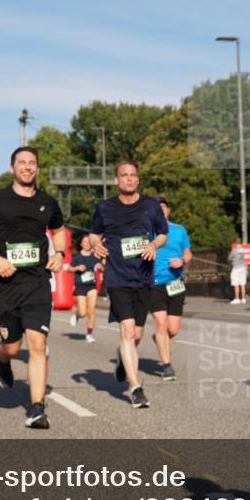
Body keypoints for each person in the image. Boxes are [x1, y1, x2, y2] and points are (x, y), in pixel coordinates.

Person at [0, 146, 67, 430]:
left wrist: (59, 254)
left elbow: (59, 230)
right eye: (22, 163)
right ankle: (2, 360)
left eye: (32, 163)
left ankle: (37, 408)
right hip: (5, 284)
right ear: (12, 168)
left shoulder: (47, 202)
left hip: (37, 283)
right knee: (12, 347)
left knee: (38, 345)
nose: (27, 167)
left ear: (37, 168)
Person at [89, 160, 167, 408]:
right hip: (117, 277)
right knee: (128, 330)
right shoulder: (105, 207)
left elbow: (162, 234)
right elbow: (93, 233)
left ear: (138, 179)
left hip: (143, 276)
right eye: (124, 175)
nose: (129, 179)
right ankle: (135, 387)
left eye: (133, 175)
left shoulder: (151, 206)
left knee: (138, 334)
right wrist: (95, 244)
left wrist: (154, 244)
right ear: (116, 180)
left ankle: (124, 359)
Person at [149, 194, 192, 381]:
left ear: (169, 210)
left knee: (172, 330)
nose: (161, 210)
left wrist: (182, 260)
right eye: (157, 207)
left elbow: (188, 253)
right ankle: (166, 366)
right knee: (160, 321)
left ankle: (159, 338)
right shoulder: (147, 231)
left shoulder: (179, 230)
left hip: (175, 282)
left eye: (164, 207)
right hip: (154, 282)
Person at [68, 234, 103, 343]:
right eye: (85, 242)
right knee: (83, 312)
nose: (87, 244)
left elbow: (102, 267)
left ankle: (89, 334)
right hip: (80, 285)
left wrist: (101, 267)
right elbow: (69, 269)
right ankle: (77, 315)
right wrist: (77, 267)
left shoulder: (95, 256)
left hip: (91, 285)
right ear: (81, 244)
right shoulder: (77, 257)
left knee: (91, 310)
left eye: (89, 242)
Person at [227, 237, 248, 304]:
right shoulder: (243, 249)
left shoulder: (234, 250)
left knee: (236, 284)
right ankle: (243, 299)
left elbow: (229, 258)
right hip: (243, 268)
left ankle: (237, 298)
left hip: (236, 268)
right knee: (242, 284)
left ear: (235, 242)